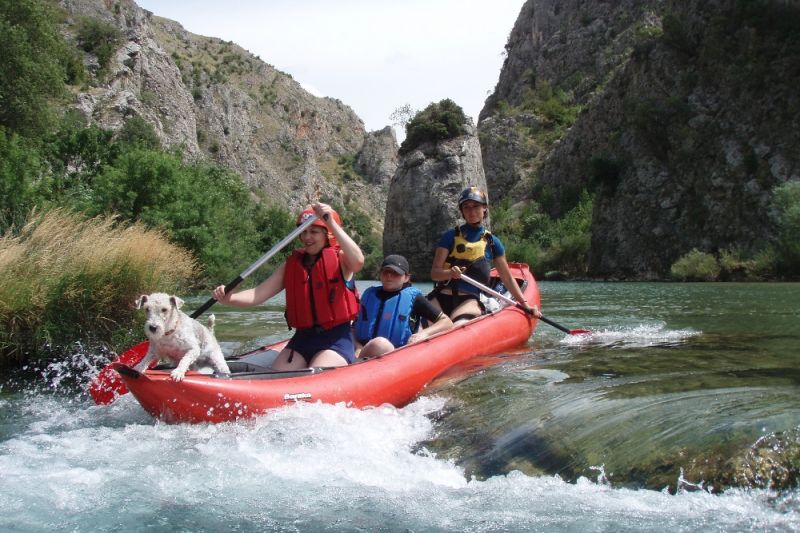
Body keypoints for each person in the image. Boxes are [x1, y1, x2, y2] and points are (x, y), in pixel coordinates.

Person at [213, 202, 363, 370]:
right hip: (302, 339)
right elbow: (258, 294)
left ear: (328, 235)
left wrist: (331, 222)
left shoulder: (342, 260)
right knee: (274, 379)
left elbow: (358, 261)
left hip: (335, 339)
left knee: (314, 376)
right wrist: (229, 299)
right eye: (303, 232)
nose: (307, 237)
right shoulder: (291, 265)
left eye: (313, 232)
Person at [429, 186, 541, 322]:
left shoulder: (493, 242)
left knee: (458, 325)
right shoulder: (449, 237)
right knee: (421, 330)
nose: (471, 211)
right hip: (440, 297)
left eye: (476, 206)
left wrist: (525, 304)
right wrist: (450, 274)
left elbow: (507, 278)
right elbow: (435, 274)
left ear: (484, 208)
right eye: (466, 207)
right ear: (462, 211)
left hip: (468, 299)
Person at [354, 254, 453, 359]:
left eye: (395, 273)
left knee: (379, 344)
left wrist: (424, 334)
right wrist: (358, 347)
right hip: (362, 351)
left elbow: (447, 322)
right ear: (380, 274)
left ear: (406, 278)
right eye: (386, 272)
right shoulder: (369, 295)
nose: (389, 276)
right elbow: (353, 327)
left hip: (396, 354)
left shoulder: (415, 299)